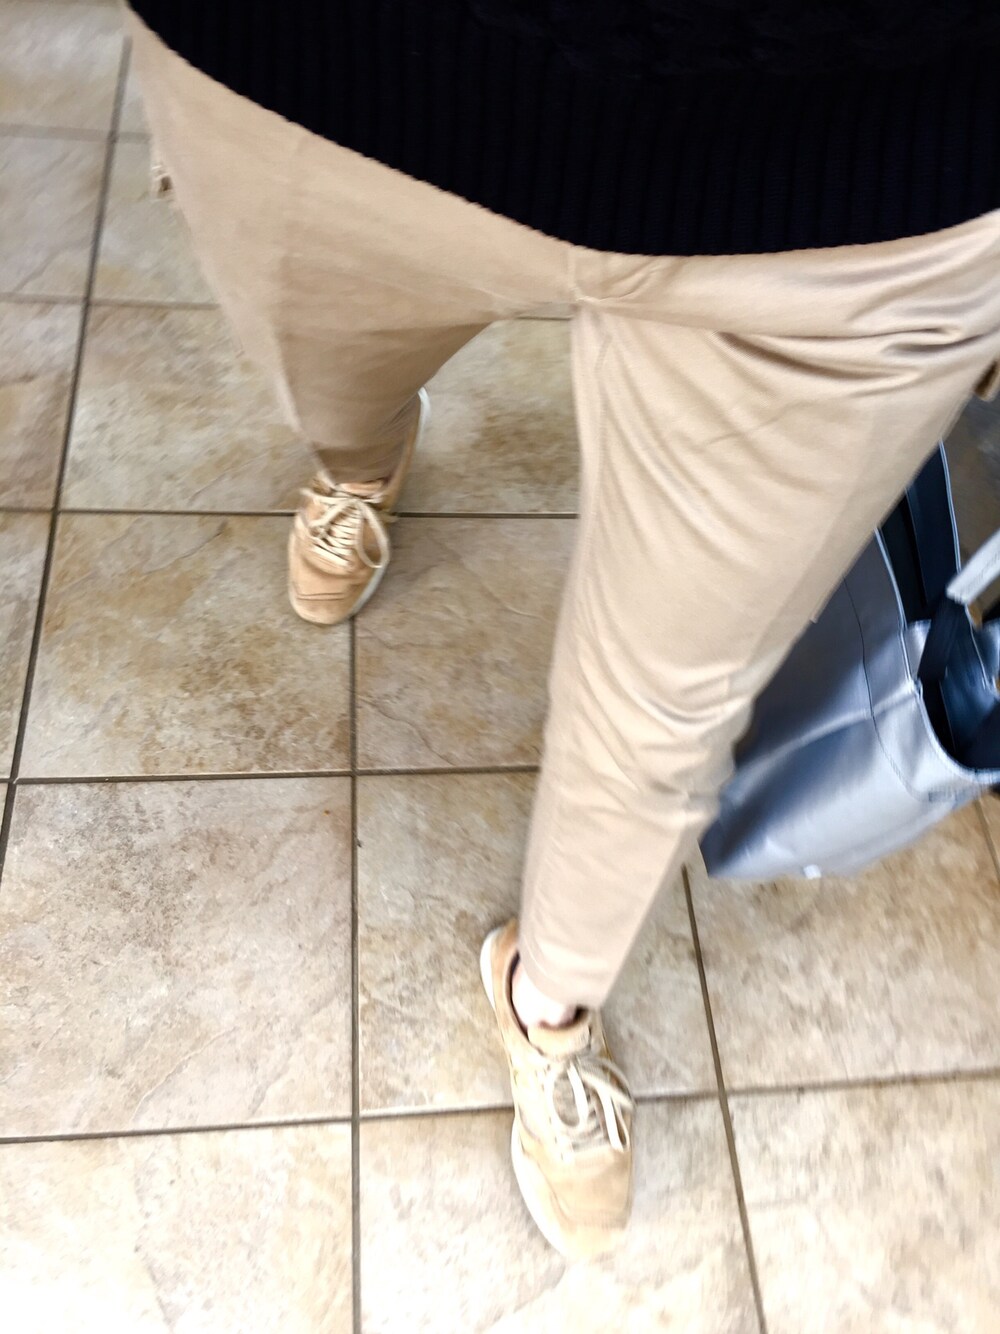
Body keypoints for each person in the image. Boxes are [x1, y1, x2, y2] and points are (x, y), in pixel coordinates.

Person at [125, 0, 1000, 1259]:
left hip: (876, 175)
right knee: (326, 388)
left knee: (673, 699)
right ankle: (361, 462)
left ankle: (548, 1000)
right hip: (332, 70)